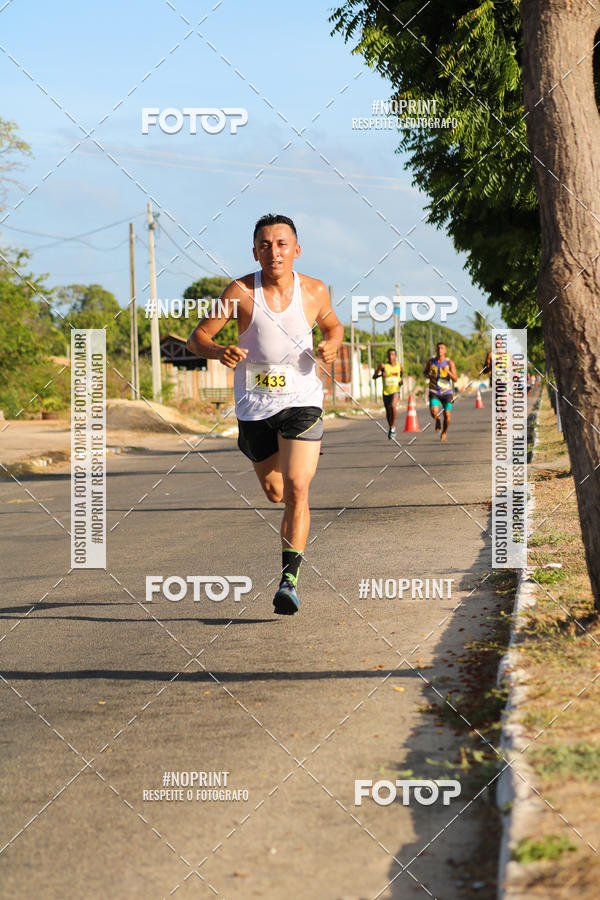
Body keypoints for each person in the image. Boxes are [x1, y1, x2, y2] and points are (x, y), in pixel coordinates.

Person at [186, 213, 344, 615]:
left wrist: (331, 344)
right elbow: (197, 338)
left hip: (303, 400)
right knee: (275, 492)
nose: (274, 252)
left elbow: (333, 327)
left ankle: (289, 582)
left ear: (296, 249)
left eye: (282, 244)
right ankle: (282, 458)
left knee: (297, 487)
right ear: (255, 251)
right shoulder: (240, 292)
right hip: (255, 407)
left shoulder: (314, 291)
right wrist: (219, 350)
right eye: (266, 245)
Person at [423, 343, 458, 442]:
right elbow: (424, 373)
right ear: (436, 350)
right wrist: (428, 374)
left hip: (447, 392)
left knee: (447, 415)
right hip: (434, 391)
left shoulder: (449, 363)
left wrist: (448, 372)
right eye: (438, 348)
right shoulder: (431, 362)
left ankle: (444, 432)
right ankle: (437, 420)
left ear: (445, 350)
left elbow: (455, 379)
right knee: (434, 412)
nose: (440, 350)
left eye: (442, 348)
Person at [373, 348, 404, 439]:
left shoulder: (399, 366)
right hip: (386, 392)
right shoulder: (383, 366)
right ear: (387, 356)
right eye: (389, 354)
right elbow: (374, 376)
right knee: (388, 411)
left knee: (393, 406)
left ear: (396, 356)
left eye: (393, 354)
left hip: (395, 391)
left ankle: (393, 427)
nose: (391, 356)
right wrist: (380, 375)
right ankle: (391, 427)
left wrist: (401, 381)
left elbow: (402, 374)